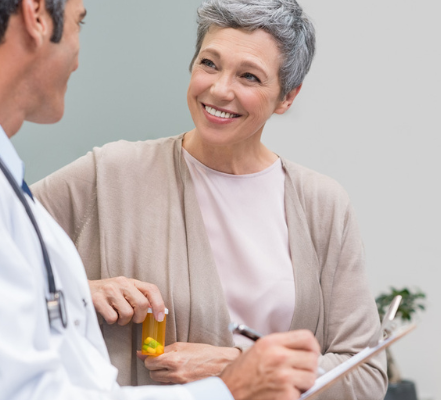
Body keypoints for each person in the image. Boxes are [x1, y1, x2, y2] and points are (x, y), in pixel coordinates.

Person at [0, 0, 322, 399]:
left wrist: (74, 289)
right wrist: (227, 388)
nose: (78, 55)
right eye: (79, 21)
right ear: (37, 16)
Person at [32, 0, 387, 398]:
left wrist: (234, 366)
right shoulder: (110, 173)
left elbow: (366, 373)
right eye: (209, 64)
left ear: (287, 97)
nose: (219, 90)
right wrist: (79, 286)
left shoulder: (324, 205)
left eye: (249, 76)